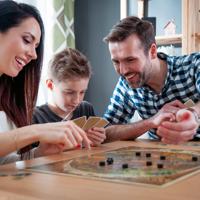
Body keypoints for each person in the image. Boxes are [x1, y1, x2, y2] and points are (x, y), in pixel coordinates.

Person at [0, 0, 91, 164]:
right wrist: (36, 131)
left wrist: (39, 153)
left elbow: (4, 162)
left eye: (36, 46)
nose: (34, 55)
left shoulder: (8, 98)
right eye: (27, 40)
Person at [103, 16, 200, 145]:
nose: (123, 71)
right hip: (161, 159)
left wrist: (193, 113)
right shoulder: (125, 84)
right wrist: (151, 122)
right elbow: (104, 133)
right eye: (116, 61)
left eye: (130, 60)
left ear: (153, 51)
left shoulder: (194, 64)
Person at [33, 48, 106, 146]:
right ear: (50, 85)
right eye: (69, 92)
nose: (77, 101)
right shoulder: (36, 117)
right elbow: (30, 158)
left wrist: (98, 139)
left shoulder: (86, 109)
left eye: (82, 92)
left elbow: (92, 148)